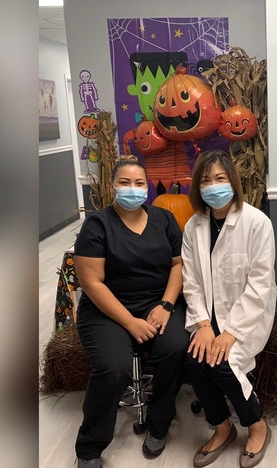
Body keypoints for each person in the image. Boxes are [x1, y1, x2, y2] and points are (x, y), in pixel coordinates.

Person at [73, 155, 190, 468]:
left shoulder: (164, 219)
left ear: (147, 187)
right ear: (113, 186)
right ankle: (90, 446)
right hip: (107, 309)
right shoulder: (97, 224)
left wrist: (166, 305)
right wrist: (129, 322)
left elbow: (178, 265)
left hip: (157, 302)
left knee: (176, 347)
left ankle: (159, 423)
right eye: (124, 182)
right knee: (114, 367)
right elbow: (92, 283)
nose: (132, 188)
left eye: (139, 183)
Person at [182, 150, 276, 468]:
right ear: (198, 187)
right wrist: (203, 325)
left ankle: (257, 425)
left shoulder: (257, 223)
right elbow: (191, 281)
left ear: (233, 182)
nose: (213, 186)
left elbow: (260, 286)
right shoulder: (193, 226)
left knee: (222, 363)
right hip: (207, 317)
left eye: (220, 178)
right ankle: (223, 428)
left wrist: (230, 333)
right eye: (206, 180)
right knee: (194, 361)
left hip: (247, 318)